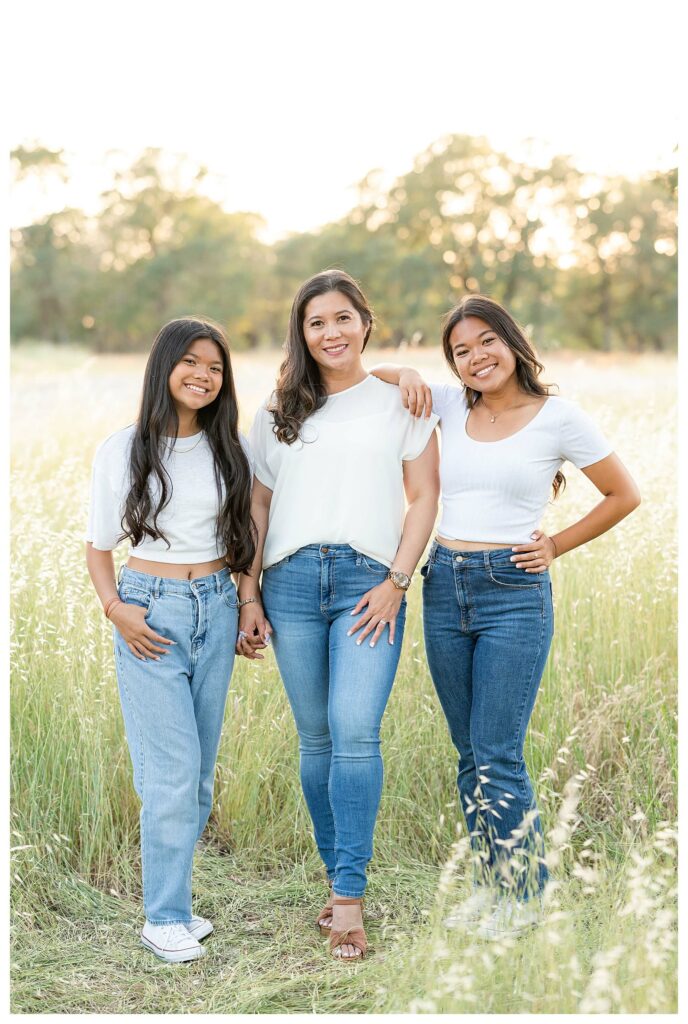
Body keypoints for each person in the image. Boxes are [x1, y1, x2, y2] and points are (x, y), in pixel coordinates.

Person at [371, 294, 640, 939]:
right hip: (443, 584)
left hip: (512, 593)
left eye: (485, 342)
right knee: (468, 752)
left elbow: (624, 494)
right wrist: (407, 374)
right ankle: (493, 888)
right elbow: (366, 374)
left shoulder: (558, 418)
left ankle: (523, 897)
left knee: (498, 753)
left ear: (512, 343)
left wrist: (554, 544)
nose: (475, 358)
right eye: (460, 352)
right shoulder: (447, 404)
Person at [237, 270, 440, 961]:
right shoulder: (277, 410)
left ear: (366, 322)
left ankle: (350, 898)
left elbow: (423, 497)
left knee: (356, 731)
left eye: (343, 318)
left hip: (367, 582)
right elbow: (257, 507)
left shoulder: (401, 399)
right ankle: (336, 879)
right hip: (289, 582)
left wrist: (396, 581)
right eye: (317, 322)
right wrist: (250, 592)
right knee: (315, 739)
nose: (331, 332)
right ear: (302, 331)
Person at [85, 317, 254, 962]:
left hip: (215, 604)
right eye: (190, 362)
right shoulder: (124, 448)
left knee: (200, 774)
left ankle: (176, 904)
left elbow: (240, 540)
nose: (203, 375)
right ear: (163, 367)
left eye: (215, 367)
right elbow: (98, 548)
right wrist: (116, 611)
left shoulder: (226, 448)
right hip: (149, 613)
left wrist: (244, 605)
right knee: (171, 772)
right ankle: (164, 916)